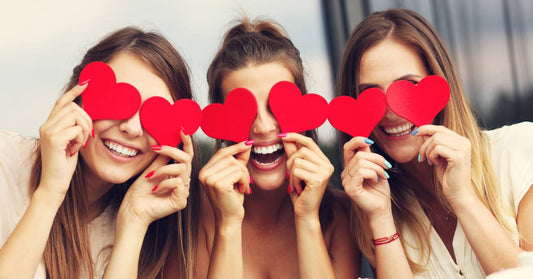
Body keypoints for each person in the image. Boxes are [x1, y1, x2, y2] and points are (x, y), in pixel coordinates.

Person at [337, 8, 533, 279]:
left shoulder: (519, 152)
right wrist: (381, 217)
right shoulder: (372, 205)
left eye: (407, 86)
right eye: (370, 94)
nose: (391, 111)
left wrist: (463, 198)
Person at [0, 26, 197, 279]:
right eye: (117, 101)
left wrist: (134, 221)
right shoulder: (6, 161)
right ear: (77, 99)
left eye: (157, 116)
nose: (132, 128)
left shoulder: (156, 229)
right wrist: (50, 192)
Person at [187, 18, 359, 279]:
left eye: (276, 107)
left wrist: (307, 218)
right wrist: (229, 224)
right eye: (244, 111)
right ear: (221, 121)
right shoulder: (189, 214)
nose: (263, 127)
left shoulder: (342, 213)